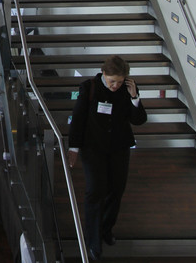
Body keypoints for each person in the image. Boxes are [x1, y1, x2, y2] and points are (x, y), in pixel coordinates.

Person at [67, 56, 147, 261]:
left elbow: (139, 120)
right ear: (103, 74)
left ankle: (105, 229)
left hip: (119, 148)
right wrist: (73, 148)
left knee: (116, 190)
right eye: (112, 81)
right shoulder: (89, 87)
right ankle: (93, 240)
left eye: (119, 81)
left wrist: (134, 97)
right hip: (93, 147)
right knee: (95, 190)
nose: (115, 86)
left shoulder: (127, 89)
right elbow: (78, 117)